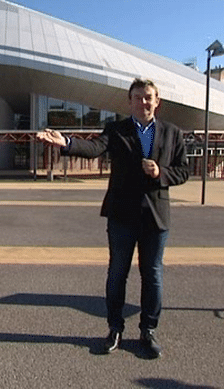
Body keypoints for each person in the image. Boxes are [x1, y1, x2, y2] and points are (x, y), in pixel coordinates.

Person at [37, 78, 189, 359]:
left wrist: (160, 174)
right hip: (122, 215)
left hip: (156, 217)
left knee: (152, 275)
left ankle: (148, 330)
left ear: (158, 101)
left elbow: (183, 171)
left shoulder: (172, 133)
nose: (144, 102)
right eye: (138, 97)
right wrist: (67, 143)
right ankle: (114, 328)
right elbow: (95, 148)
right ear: (130, 102)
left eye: (149, 97)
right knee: (117, 273)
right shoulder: (116, 130)